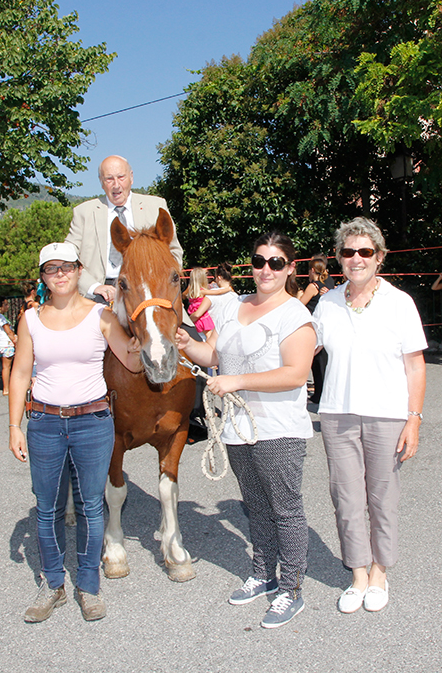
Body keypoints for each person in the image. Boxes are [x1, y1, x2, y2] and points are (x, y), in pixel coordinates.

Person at [176, 231, 316, 629]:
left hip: (278, 428)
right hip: (237, 428)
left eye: (275, 262)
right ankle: (264, 573)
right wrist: (186, 343)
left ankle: (290, 589)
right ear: (250, 265)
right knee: (255, 506)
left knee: (285, 510)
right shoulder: (234, 307)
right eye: (259, 261)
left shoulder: (294, 315)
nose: (266, 269)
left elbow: (295, 373)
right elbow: (215, 356)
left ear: (290, 268)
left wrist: (237, 382)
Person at [9, 242, 142, 623]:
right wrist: (14, 425)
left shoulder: (101, 315)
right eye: (52, 268)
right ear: (44, 277)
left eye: (67, 266)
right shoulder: (31, 320)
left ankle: (88, 585)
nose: (61, 274)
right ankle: (52, 583)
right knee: (47, 508)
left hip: (93, 422)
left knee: (89, 506)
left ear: (79, 269)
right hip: (45, 423)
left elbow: (130, 364)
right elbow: (20, 374)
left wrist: (139, 344)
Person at [313, 217, 426, 614]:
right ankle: (358, 573)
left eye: (365, 252)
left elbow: (415, 366)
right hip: (337, 414)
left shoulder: (399, 303)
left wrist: (413, 418)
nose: (356, 259)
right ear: (339, 259)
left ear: (379, 257)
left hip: (387, 414)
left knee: (382, 496)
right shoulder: (326, 302)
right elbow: (302, 350)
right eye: (348, 252)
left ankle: (380, 571)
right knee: (345, 496)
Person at [65, 155, 183, 304]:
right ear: (101, 182)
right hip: (98, 295)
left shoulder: (156, 206)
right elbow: (68, 257)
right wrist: (94, 287)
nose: (116, 185)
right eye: (109, 179)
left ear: (131, 177)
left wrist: (158, 281)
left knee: (187, 328)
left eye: (121, 177)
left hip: (148, 291)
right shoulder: (83, 212)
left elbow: (174, 252)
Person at [299, 256, 334, 403]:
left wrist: (299, 295)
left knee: (317, 363)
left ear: (312, 270)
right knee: (325, 362)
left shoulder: (313, 286)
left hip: (315, 325)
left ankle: (319, 394)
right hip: (329, 325)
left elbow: (300, 305)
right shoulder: (330, 282)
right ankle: (324, 393)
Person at [191, 262, 237, 328]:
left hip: (211, 333)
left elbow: (197, 315)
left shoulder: (210, 295)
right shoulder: (236, 297)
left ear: (219, 278)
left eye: (215, 278)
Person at [0, 297, 17, 395]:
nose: (7, 306)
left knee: (5, 366)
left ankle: (7, 387)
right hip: (6, 344)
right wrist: (15, 341)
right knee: (7, 367)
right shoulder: (1, 318)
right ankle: (6, 388)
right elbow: (8, 332)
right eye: (5, 304)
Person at [186, 267, 215, 338]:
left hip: (196, 319)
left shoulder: (192, 292)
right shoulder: (202, 291)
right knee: (209, 335)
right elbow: (216, 292)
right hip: (203, 317)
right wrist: (227, 289)